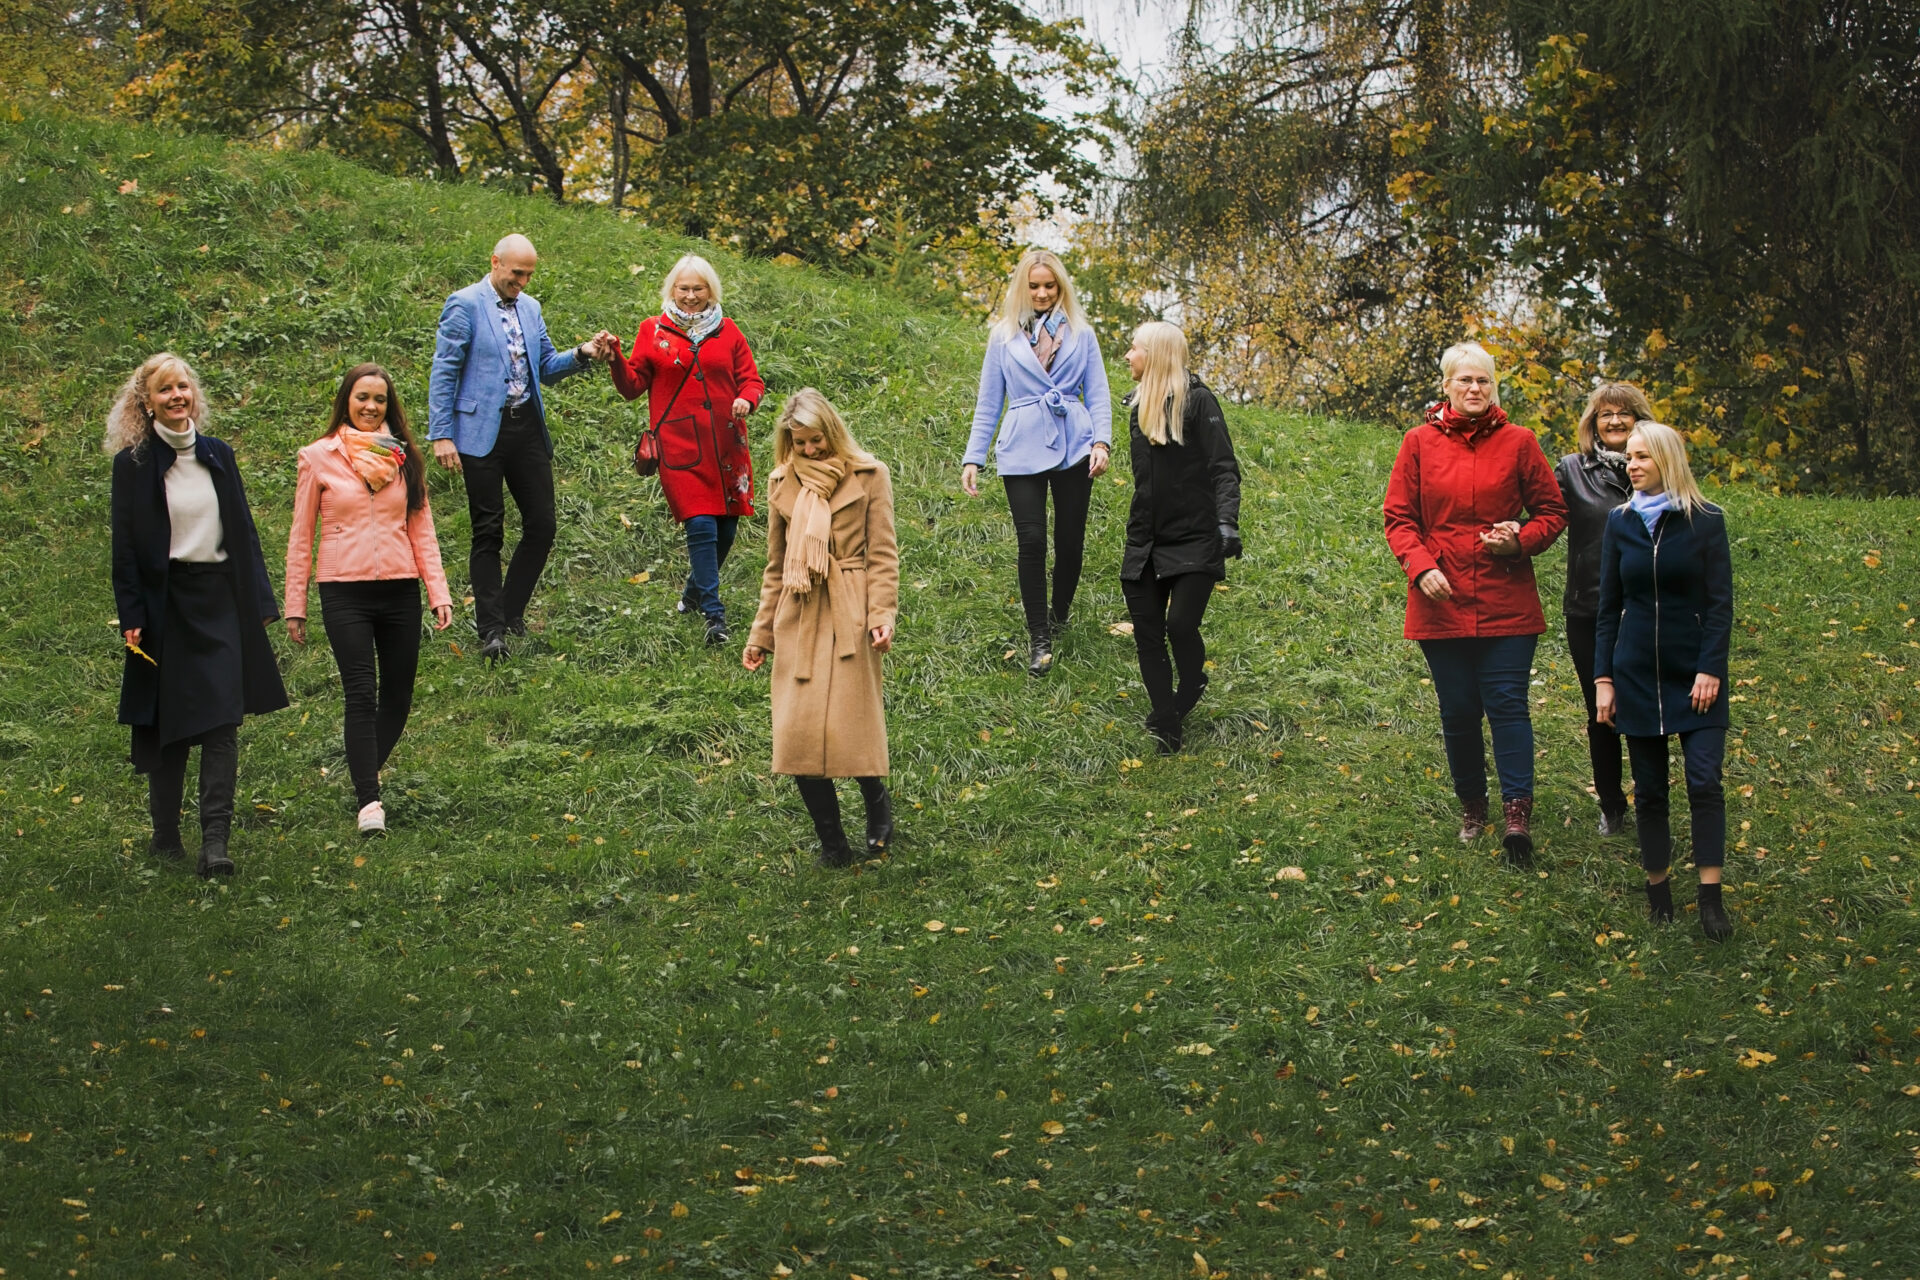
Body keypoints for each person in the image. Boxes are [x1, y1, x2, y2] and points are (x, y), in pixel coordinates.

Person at [1384, 342, 1567, 864]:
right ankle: (1472, 806)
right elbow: (1399, 518)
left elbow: (1552, 512)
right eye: (1464, 380)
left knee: (1508, 705)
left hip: (1507, 600)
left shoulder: (1520, 443)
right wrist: (1422, 568)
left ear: (1494, 388)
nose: (1474, 389)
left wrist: (1520, 540)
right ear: (1445, 386)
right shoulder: (1417, 443)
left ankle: (1517, 813)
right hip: (1440, 603)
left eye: (1483, 381)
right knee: (1459, 711)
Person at [107, 353, 288, 879]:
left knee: (223, 721)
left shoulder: (219, 456)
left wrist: (258, 603)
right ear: (147, 402)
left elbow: (244, 532)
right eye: (165, 390)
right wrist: (131, 614)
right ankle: (165, 834)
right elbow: (125, 550)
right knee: (169, 724)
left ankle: (215, 845)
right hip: (166, 607)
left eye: (183, 387)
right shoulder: (133, 464)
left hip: (220, 602)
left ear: (194, 394)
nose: (177, 396)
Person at [285, 364, 454, 837]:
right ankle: (369, 801)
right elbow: (301, 536)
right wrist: (294, 604)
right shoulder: (318, 458)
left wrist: (438, 591)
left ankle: (363, 770)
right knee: (361, 694)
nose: (371, 407)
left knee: (398, 696)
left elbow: (422, 530)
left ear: (388, 405)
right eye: (362, 397)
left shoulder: (404, 457)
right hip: (343, 592)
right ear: (346, 400)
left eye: (379, 399)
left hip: (400, 590)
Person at [427, 233, 607, 663]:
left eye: (528, 274)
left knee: (542, 524)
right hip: (478, 433)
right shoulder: (464, 303)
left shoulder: (531, 308)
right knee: (487, 530)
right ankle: (492, 630)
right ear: (495, 262)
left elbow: (545, 368)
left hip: (525, 427)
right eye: (516, 273)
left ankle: (508, 611)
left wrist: (583, 353)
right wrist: (441, 433)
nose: (522, 282)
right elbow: (444, 370)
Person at [742, 389, 900, 868]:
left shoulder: (870, 476)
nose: (809, 451)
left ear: (832, 431)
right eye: (799, 443)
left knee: (854, 727)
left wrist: (881, 616)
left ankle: (877, 805)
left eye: (816, 440)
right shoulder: (779, 482)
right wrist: (761, 634)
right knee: (798, 736)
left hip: (850, 608)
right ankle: (832, 844)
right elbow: (775, 565)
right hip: (800, 609)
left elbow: (882, 555)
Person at [1594, 421, 1734, 941]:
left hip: (1695, 677)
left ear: (1667, 460)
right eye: (1628, 457)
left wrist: (1709, 668)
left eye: (1642, 457)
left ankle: (1710, 900)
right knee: (1650, 793)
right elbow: (1608, 608)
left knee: (1704, 780)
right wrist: (1603, 678)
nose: (1631, 465)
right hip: (1634, 676)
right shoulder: (1619, 522)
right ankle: (1659, 895)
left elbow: (1720, 606)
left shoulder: (1706, 521)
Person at [961, 249, 1113, 677]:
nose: (1043, 293)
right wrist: (974, 457)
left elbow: (1098, 392)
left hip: (1074, 442)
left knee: (1070, 541)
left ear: (1061, 286)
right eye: (1034, 286)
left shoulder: (1082, 333)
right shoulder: (1003, 336)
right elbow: (989, 401)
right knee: (1031, 542)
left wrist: (1102, 442)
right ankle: (1039, 636)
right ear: (1022, 289)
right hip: (1022, 444)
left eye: (1050, 285)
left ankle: (1060, 613)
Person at [600, 254, 766, 646]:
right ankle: (714, 615)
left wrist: (747, 399)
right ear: (672, 290)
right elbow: (632, 386)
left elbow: (752, 379)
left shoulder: (728, 332)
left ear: (711, 291)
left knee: (726, 529)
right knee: (701, 524)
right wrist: (616, 359)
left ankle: (692, 592)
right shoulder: (652, 330)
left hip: (728, 444)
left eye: (698, 289)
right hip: (678, 446)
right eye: (684, 288)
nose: (691, 296)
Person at [1118, 322, 1242, 753]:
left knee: (1179, 625)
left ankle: (1191, 684)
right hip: (1147, 539)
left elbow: (1224, 467)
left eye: (1133, 349)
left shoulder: (1199, 401)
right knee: (1148, 634)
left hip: (1195, 536)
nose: (1127, 356)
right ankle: (1167, 723)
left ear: (1153, 355)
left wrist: (1227, 523)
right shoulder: (1137, 407)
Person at [1555, 382, 1652, 836]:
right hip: (1590, 608)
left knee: (1646, 707)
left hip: (1649, 610)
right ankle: (1612, 806)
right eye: (1604, 414)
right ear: (1591, 423)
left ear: (1640, 420)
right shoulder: (1572, 470)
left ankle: (1653, 799)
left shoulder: (1659, 468)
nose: (1614, 421)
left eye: (1624, 413)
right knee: (1602, 708)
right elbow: (1541, 514)